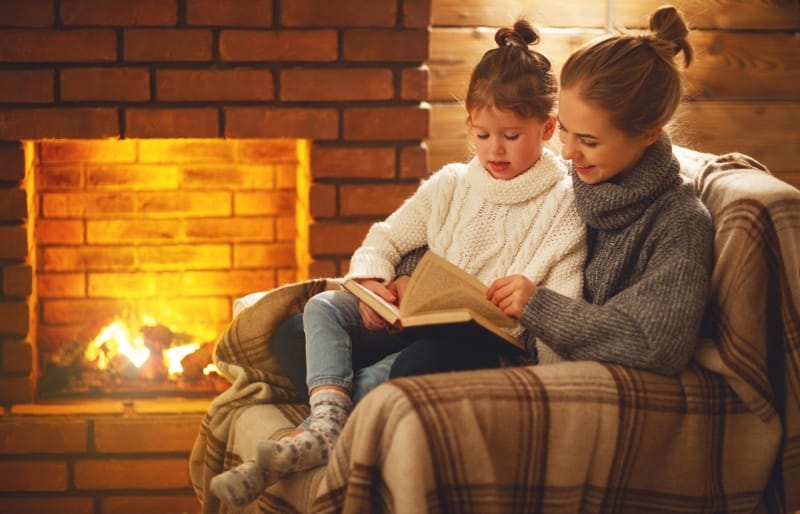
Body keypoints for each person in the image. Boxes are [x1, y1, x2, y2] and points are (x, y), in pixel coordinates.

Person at [209, 19, 587, 508]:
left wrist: (530, 325)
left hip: (478, 345)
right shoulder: (452, 183)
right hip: (412, 319)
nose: (495, 149)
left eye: (512, 136)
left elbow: (562, 305)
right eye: (482, 133)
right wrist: (373, 280)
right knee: (304, 323)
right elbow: (387, 237)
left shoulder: (563, 203)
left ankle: (317, 425)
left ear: (548, 128)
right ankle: (331, 418)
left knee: (414, 363)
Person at [390, 4, 714, 381]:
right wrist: (411, 272)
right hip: (475, 338)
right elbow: (468, 223)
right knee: (309, 325)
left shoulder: (679, 223)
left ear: (648, 133)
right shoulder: (575, 178)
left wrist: (538, 307)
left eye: (589, 141)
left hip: (536, 367)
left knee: (414, 365)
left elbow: (658, 344)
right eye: (565, 131)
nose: (567, 153)